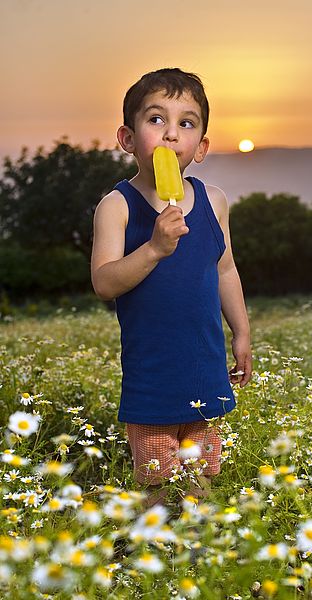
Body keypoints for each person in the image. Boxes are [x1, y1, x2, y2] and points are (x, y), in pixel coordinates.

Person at [91, 68, 252, 507]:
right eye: (156, 119)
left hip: (204, 367)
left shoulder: (214, 200)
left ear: (200, 146)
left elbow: (226, 271)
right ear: (127, 138)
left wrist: (241, 332)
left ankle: (197, 556)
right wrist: (154, 248)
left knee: (200, 481)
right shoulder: (116, 206)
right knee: (159, 485)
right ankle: (158, 557)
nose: (170, 135)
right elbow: (105, 282)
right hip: (153, 378)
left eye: (186, 123)